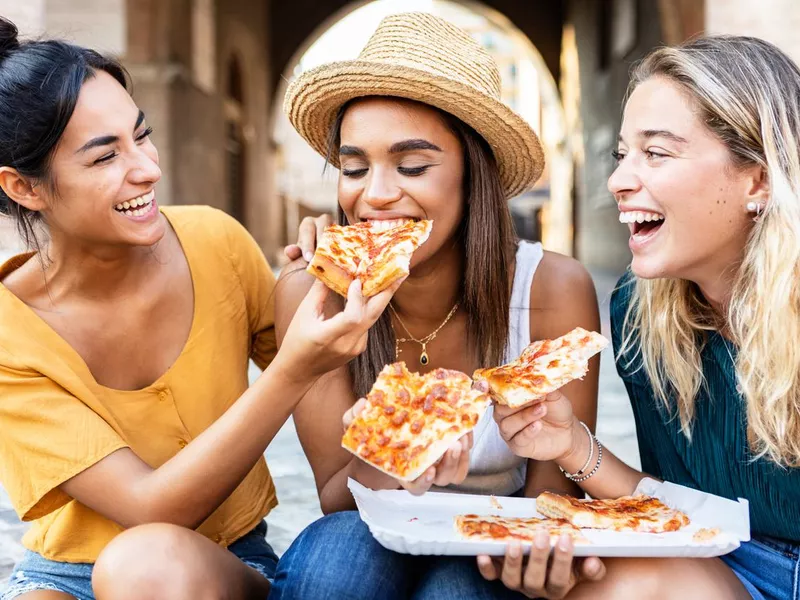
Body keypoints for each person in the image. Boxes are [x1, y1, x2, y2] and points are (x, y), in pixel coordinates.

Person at [0, 18, 396, 600]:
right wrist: (291, 369)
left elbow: (347, 382)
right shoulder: (10, 331)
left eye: (142, 135)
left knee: (148, 567)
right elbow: (148, 506)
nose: (148, 169)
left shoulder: (215, 243)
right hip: (65, 571)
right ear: (24, 188)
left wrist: (336, 264)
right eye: (105, 157)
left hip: (213, 564)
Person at [270, 12, 606, 599]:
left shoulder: (553, 289)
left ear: (473, 176)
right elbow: (334, 497)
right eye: (354, 168)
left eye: (413, 166)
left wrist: (536, 557)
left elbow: (552, 495)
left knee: (458, 587)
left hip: (495, 546)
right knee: (335, 555)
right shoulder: (310, 294)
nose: (373, 194)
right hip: (364, 529)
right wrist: (393, 452)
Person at [487, 35, 800, 599]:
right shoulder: (640, 311)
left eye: (655, 153)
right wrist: (569, 447)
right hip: (715, 558)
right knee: (580, 580)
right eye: (623, 154)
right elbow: (681, 510)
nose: (618, 181)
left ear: (758, 177)